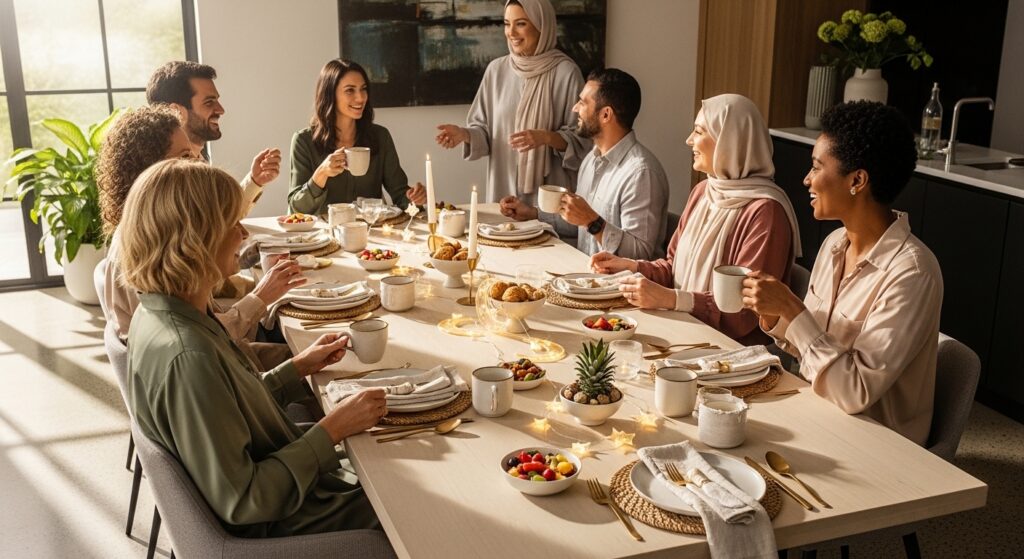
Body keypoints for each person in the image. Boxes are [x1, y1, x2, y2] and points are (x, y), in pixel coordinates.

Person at [120, 159, 387, 537]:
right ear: (196, 239)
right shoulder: (187, 355)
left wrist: (296, 369)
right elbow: (245, 500)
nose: (242, 233)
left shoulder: (165, 313)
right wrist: (332, 429)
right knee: (421, 497)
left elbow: (229, 409)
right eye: (231, 225)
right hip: (299, 515)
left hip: (295, 487)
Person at [742, 101, 942, 445]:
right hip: (816, 414)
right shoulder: (836, 243)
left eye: (817, 167)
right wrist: (776, 316)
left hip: (875, 444)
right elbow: (811, 350)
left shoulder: (912, 273)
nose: (806, 179)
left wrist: (792, 309)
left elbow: (854, 391)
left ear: (857, 180)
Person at [96, 105, 303, 370]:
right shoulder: (142, 256)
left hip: (231, 357)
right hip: (223, 368)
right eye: (186, 156)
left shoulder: (158, 231)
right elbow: (200, 344)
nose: (199, 164)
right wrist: (260, 296)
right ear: (153, 169)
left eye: (196, 155)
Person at [590, 94, 800, 345]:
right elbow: (672, 268)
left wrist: (670, 299)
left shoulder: (766, 212)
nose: (689, 140)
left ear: (728, 142)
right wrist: (632, 266)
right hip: (683, 331)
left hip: (728, 355)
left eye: (699, 132)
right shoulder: (703, 192)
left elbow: (745, 314)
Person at [500, 68, 668, 259]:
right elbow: (580, 225)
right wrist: (532, 213)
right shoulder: (590, 160)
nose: (575, 108)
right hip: (584, 279)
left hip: (617, 287)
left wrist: (592, 222)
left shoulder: (641, 174)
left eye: (582, 102)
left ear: (605, 115)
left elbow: (640, 254)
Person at [435, 0, 590, 204]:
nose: (512, 33)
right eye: (507, 24)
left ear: (542, 25)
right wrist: (464, 134)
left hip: (548, 196)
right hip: (503, 190)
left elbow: (582, 141)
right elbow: (485, 131)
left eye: (521, 24)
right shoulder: (496, 70)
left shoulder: (566, 73)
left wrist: (546, 137)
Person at [288, 59, 426, 214]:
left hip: (371, 234)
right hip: (322, 236)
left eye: (363, 89)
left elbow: (400, 194)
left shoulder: (380, 136)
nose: (361, 98)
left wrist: (414, 199)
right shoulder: (303, 141)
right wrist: (321, 174)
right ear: (330, 94)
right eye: (350, 90)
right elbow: (296, 209)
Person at [147, 61, 281, 211]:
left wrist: (254, 181)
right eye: (209, 102)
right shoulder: (164, 175)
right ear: (175, 112)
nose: (221, 110)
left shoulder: (199, 159)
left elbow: (217, 218)